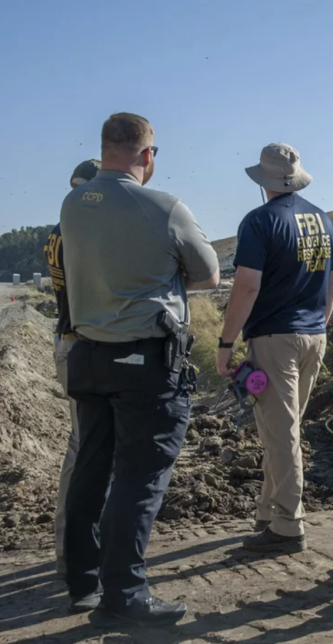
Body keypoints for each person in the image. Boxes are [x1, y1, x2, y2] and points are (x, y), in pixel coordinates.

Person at [60, 113, 219, 625]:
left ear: (104, 148)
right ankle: (124, 596)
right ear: (148, 156)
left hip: (88, 357)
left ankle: (83, 581)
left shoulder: (72, 204)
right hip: (144, 361)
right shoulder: (164, 206)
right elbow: (209, 274)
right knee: (140, 476)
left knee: (91, 467)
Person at [216, 143, 333, 553]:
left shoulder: (259, 221)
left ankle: (287, 524)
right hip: (313, 337)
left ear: (263, 181)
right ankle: (269, 513)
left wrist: (226, 343)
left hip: (274, 339)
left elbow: (247, 286)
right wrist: (317, 326)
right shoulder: (323, 220)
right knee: (280, 428)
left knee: (280, 431)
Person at [45, 158, 100, 577]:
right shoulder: (82, 234)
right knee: (86, 449)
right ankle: (74, 551)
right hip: (85, 346)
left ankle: (73, 548)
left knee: (83, 446)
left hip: (69, 342)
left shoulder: (57, 233)